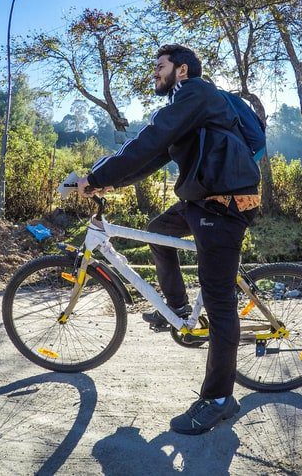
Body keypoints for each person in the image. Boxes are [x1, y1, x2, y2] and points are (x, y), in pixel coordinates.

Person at [72, 44, 260, 435]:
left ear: (182, 70)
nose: (154, 73)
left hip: (226, 204)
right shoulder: (187, 105)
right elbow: (152, 156)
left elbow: (150, 138)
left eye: (160, 66)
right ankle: (176, 307)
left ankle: (220, 399)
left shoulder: (196, 94)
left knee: (219, 300)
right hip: (203, 200)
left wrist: (96, 176)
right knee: (158, 230)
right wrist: (106, 182)